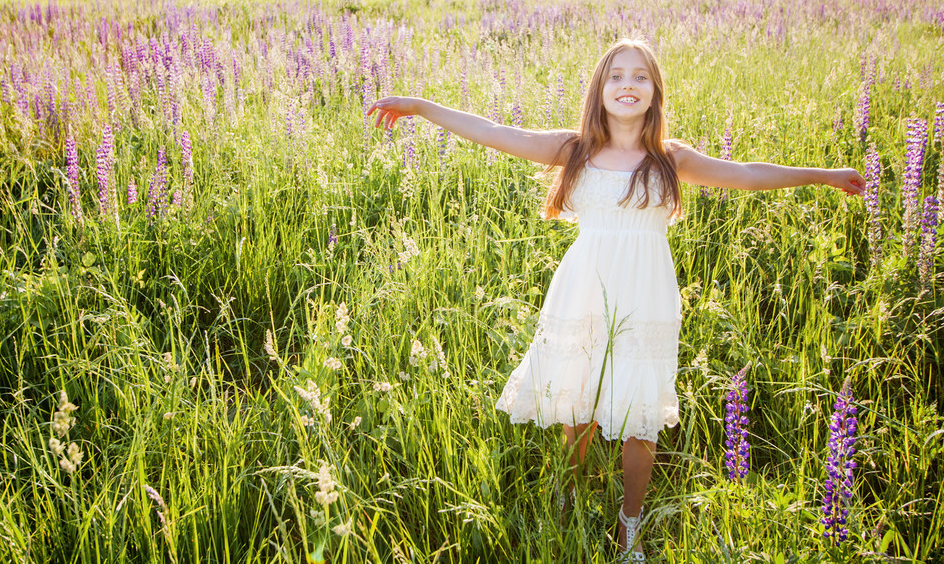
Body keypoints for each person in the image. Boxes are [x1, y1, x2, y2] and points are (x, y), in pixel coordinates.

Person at [366, 38, 864, 561]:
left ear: (655, 93)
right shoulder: (575, 149)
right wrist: (419, 107)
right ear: (599, 91)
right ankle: (572, 495)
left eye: (640, 77)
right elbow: (494, 132)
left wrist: (823, 176)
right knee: (576, 403)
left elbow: (744, 174)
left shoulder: (670, 159)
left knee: (638, 413)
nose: (628, 85)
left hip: (645, 296)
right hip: (583, 289)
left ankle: (632, 523)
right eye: (617, 76)